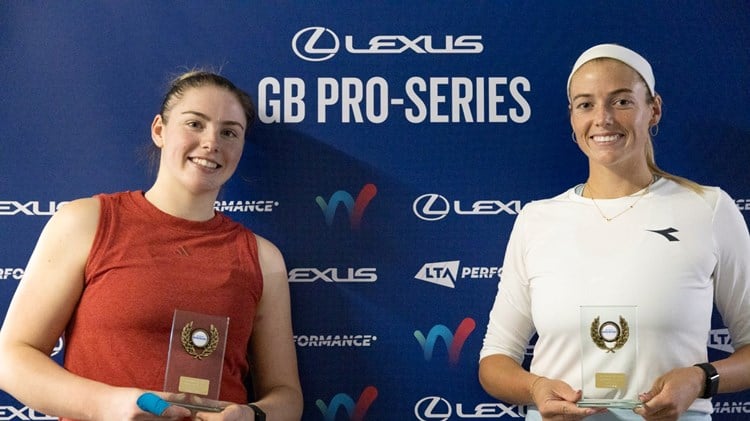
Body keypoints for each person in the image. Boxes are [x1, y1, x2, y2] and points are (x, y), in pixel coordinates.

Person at [0, 71, 303, 420]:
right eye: (195, 124)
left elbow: (286, 397)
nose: (211, 142)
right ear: (159, 130)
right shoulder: (87, 222)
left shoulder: (263, 258)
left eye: (229, 132)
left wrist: (251, 416)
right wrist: (108, 405)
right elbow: (12, 357)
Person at [478, 44, 750, 421]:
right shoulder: (536, 219)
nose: (602, 118)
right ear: (572, 117)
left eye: (621, 101)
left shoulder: (708, 208)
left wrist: (701, 379)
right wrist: (535, 388)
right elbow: (494, 362)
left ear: (653, 108)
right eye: (585, 104)